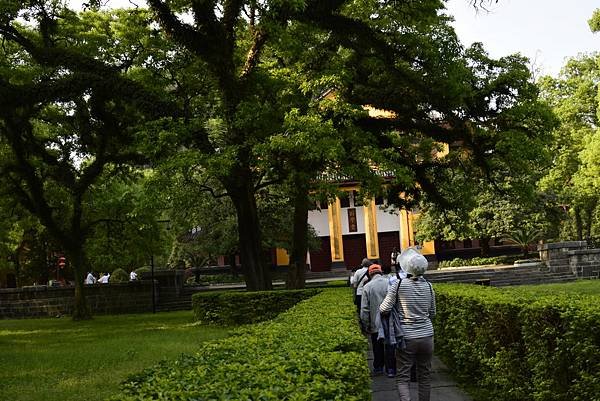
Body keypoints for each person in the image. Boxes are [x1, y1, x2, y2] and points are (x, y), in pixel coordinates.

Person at [380, 248, 436, 401]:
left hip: (407, 337)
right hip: (427, 336)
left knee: (403, 377)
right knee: (424, 376)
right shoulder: (429, 287)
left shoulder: (398, 285)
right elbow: (432, 313)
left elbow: (384, 308)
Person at [360, 264, 393, 376]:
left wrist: (365, 324)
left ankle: (378, 367)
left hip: (374, 320)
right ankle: (391, 368)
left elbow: (364, 309)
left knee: (377, 345)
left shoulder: (367, 287)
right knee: (390, 343)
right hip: (390, 318)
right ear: (380, 272)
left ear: (370, 274)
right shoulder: (389, 283)